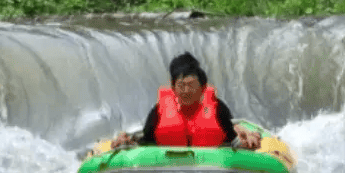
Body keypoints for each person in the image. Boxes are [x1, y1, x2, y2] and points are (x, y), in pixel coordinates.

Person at [112, 52, 261, 150]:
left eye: (191, 86)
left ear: (203, 87)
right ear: (173, 87)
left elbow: (233, 140)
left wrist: (247, 141)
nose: (186, 91)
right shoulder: (158, 112)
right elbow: (146, 141)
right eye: (181, 86)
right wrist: (128, 142)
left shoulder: (217, 109)